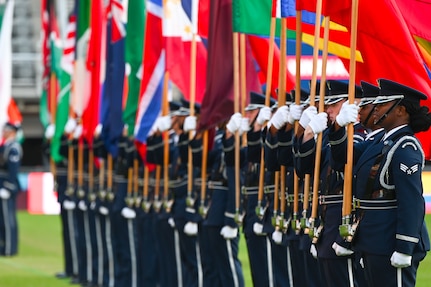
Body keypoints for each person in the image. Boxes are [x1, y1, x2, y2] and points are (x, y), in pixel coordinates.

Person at [332, 79, 431, 286]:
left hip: (389, 240)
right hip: (372, 239)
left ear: (401, 110)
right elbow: (344, 159)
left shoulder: (405, 146)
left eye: (382, 104)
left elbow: (410, 201)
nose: (375, 109)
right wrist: (337, 128)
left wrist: (405, 246)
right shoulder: (379, 141)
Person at [0, 122, 23, 256]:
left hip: (7, 187)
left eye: (6, 130)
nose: (4, 132)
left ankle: (9, 248)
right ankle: (4, 245)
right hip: (1, 185)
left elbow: (13, 170)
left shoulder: (13, 148)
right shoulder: (5, 146)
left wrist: (8, 187)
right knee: (2, 219)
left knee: (8, 219)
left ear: (13, 132)